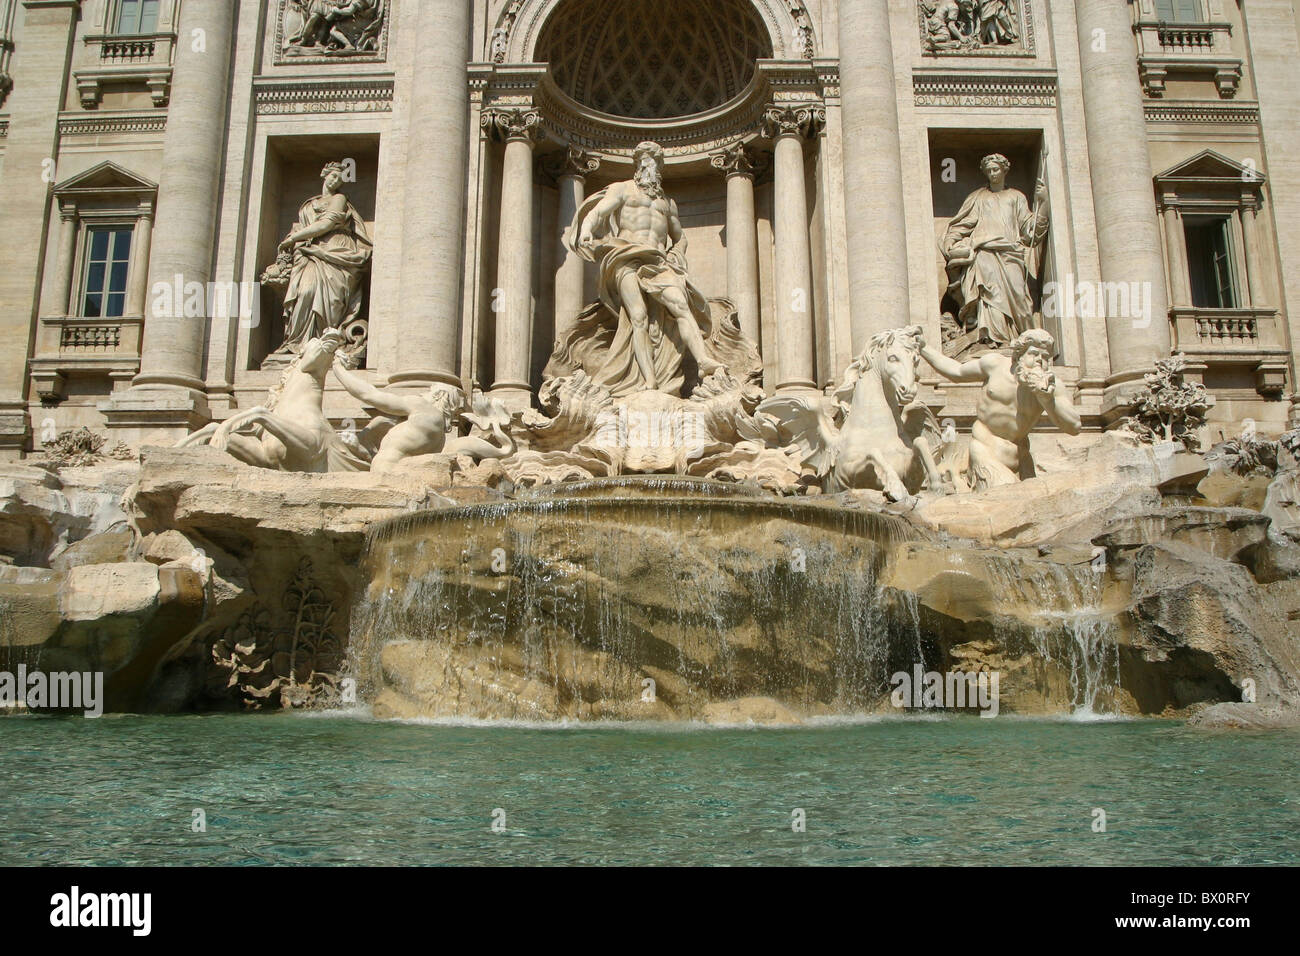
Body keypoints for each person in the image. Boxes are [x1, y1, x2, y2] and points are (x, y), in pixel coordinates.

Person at [565, 141, 726, 397]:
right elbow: (597, 213)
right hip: (626, 256)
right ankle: (649, 381)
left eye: (653, 160)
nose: (648, 164)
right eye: (643, 160)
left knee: (681, 305)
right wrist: (586, 231)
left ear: (659, 167)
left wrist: (677, 255)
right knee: (637, 317)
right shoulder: (622, 190)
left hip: (658, 261)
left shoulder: (667, 203)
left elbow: (680, 237)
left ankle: (704, 361)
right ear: (637, 165)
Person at [917, 327, 1080, 489]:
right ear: (1019, 354)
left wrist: (1047, 400)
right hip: (985, 451)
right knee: (1009, 497)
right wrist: (923, 347)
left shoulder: (1052, 386)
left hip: (1020, 458)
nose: (1039, 360)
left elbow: (1074, 426)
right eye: (1033, 354)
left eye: (1045, 357)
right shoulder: (995, 365)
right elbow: (956, 371)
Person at [941, 153, 1048, 347]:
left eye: (996, 169)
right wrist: (951, 241)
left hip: (1010, 253)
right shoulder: (977, 198)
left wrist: (1044, 203)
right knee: (989, 297)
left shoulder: (1016, 197)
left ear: (1004, 170)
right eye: (989, 170)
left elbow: (1030, 232)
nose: (992, 173)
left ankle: (1024, 340)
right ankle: (992, 340)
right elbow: (962, 224)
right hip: (984, 252)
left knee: (1019, 297)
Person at [275, 162, 372, 356]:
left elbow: (326, 224)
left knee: (332, 300)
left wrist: (294, 238)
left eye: (340, 179)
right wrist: (296, 241)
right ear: (324, 174)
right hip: (308, 253)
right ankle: (298, 342)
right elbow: (307, 226)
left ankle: (324, 345)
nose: (336, 181)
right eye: (333, 176)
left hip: (335, 252)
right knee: (305, 291)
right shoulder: (309, 205)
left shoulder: (340, 198)